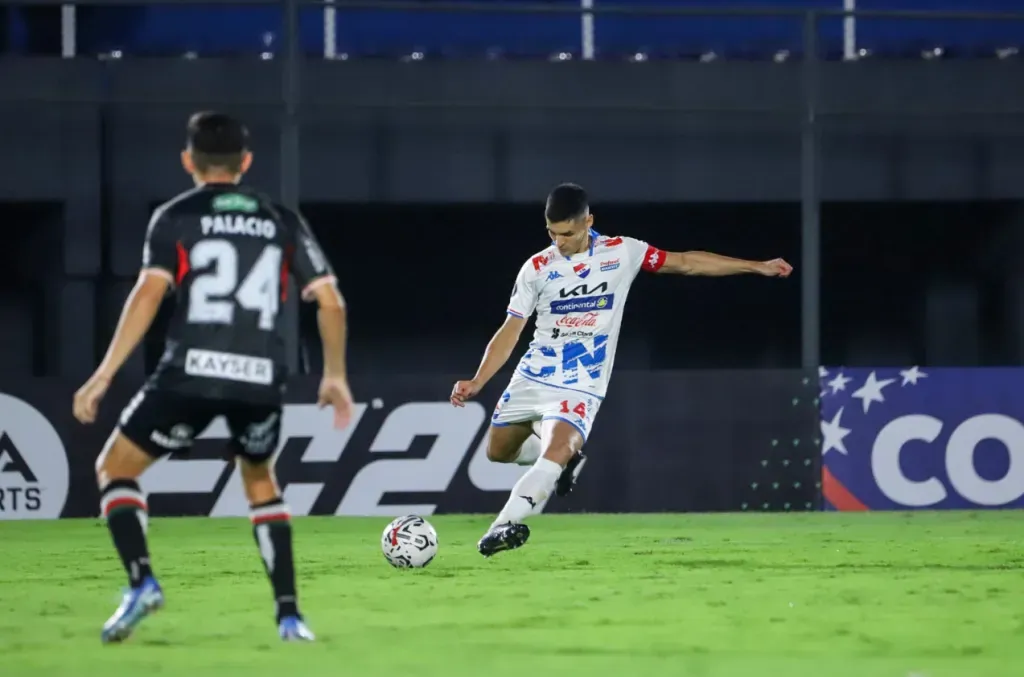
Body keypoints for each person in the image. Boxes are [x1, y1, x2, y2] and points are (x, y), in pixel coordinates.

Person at [72, 111, 353, 644]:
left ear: (188, 162)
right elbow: (330, 302)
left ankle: (142, 583)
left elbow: (149, 294)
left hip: (189, 372)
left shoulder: (175, 217)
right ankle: (290, 618)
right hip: (259, 376)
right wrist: (334, 374)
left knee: (116, 468)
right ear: (245, 162)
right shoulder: (279, 219)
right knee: (260, 482)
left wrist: (104, 374)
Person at [450, 183, 792, 557]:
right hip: (533, 375)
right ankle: (564, 465)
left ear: (588, 222)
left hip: (581, 382)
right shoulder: (537, 268)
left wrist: (755, 266)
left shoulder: (622, 252)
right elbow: (511, 328)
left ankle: (502, 526)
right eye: (552, 233)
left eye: (567, 233)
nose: (559, 241)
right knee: (497, 453)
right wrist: (478, 380)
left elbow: (685, 262)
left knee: (558, 447)